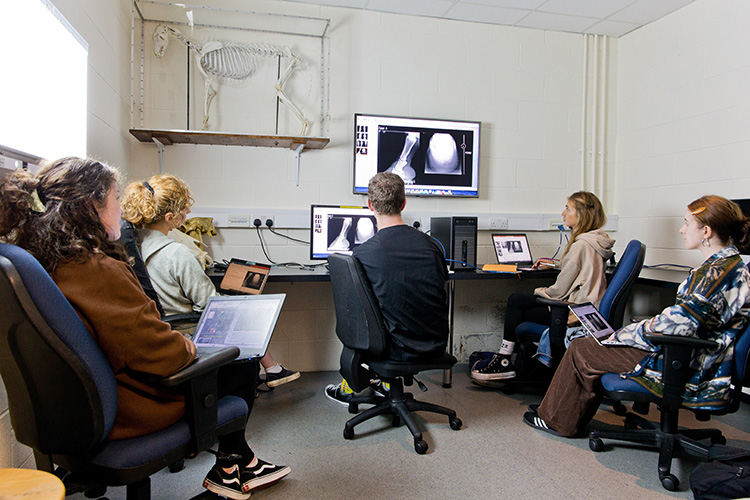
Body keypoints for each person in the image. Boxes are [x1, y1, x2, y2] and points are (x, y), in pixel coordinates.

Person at [0, 158, 289, 500]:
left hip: (69, 411)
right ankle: (232, 464)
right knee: (239, 360)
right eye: (116, 200)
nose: (122, 211)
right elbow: (163, 356)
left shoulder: (37, 258)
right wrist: (192, 347)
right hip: (130, 410)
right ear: (92, 206)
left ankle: (238, 463)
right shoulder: (96, 268)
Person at [524, 195, 750, 437]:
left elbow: (680, 325)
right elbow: (684, 319)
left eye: (686, 223)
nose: (682, 230)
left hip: (687, 360)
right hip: (692, 351)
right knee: (593, 345)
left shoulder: (716, 274)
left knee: (582, 349)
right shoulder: (729, 266)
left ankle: (557, 421)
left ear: (706, 231)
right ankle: (558, 411)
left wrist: (629, 333)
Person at [120, 174, 299, 388]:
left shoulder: (132, 244)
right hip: (185, 327)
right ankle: (272, 370)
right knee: (248, 312)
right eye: (184, 210)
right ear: (169, 217)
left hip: (160, 323)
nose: (187, 213)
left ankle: (272, 370)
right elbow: (208, 303)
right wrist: (239, 303)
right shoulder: (177, 254)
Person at [325, 172, 449, 404]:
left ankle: (351, 387)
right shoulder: (432, 247)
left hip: (391, 350)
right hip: (435, 344)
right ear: (403, 203)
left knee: (358, 315)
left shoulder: (364, 254)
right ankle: (384, 382)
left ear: (370, 205)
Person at [472, 191, 614, 383]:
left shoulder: (581, 245)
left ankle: (505, 359)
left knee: (516, 301)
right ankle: (517, 363)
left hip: (574, 313)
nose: (563, 213)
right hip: (589, 310)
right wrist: (554, 265)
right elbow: (579, 269)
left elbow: (558, 291)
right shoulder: (596, 241)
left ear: (580, 215)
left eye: (567, 208)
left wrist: (539, 291)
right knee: (521, 308)